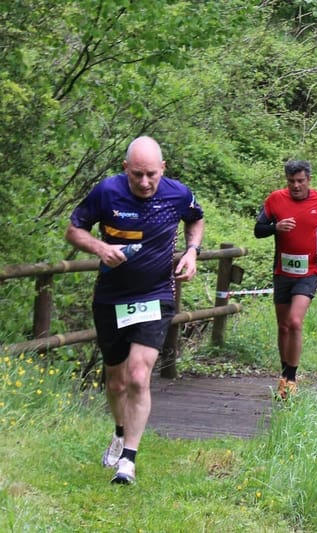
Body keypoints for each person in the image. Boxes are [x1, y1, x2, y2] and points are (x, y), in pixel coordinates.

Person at [65, 136, 205, 485]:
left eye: (151, 175)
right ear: (125, 168)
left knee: (139, 375)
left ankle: (128, 460)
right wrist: (100, 247)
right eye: (137, 175)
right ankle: (119, 431)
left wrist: (192, 252)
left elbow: (196, 220)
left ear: (163, 169)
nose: (144, 183)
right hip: (111, 297)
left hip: (155, 294)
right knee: (115, 380)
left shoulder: (178, 193)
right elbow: (74, 230)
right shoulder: (106, 193)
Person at [254, 159, 317, 399]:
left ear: (309, 180)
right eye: (291, 181)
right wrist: (275, 227)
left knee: (295, 321)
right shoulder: (275, 199)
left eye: (300, 181)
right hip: (282, 271)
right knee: (283, 326)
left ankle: (292, 379)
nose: (296, 186)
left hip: (310, 271)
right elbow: (258, 229)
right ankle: (284, 375)